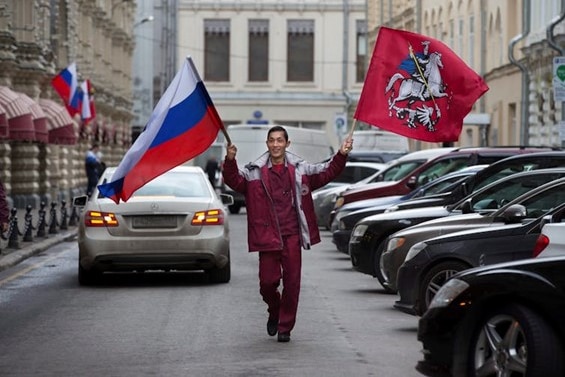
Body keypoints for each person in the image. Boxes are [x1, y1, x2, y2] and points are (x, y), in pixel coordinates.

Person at [222, 125, 353, 343]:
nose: (275, 144)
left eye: (279, 140)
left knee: (292, 284)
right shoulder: (254, 171)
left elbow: (327, 171)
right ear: (267, 144)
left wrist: (341, 154)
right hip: (267, 237)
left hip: (291, 235)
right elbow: (234, 180)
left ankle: (285, 327)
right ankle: (275, 310)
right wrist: (229, 160)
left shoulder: (301, 170)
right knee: (267, 284)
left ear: (287, 144)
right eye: (271, 140)